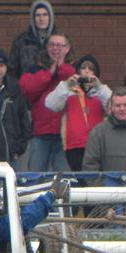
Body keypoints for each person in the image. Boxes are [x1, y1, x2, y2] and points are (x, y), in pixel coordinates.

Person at [19, 31, 75, 172]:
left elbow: (73, 83)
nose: (55, 48)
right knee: (35, 179)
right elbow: (25, 90)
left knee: (64, 180)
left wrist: (60, 68)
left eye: (59, 45)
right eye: (51, 44)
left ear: (67, 48)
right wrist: (49, 73)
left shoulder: (74, 70)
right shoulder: (34, 69)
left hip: (66, 135)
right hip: (40, 133)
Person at [45, 54, 111, 172]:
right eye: (84, 68)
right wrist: (66, 85)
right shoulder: (69, 91)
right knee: (79, 180)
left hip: (97, 145)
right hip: (73, 145)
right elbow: (50, 104)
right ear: (78, 71)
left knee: (95, 179)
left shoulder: (100, 92)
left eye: (91, 69)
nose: (87, 71)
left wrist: (99, 87)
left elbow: (113, 108)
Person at [9, 0, 56, 79]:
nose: (41, 18)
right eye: (38, 15)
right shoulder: (21, 41)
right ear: (33, 18)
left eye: (45, 15)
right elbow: (12, 69)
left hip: (54, 88)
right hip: (27, 88)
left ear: (50, 17)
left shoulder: (60, 40)